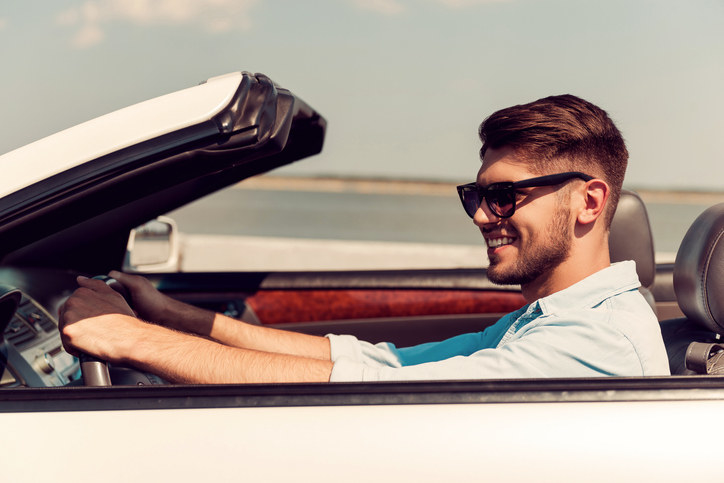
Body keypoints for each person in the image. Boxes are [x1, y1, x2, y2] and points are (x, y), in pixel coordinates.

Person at [59, 94, 670, 383]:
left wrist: (131, 340)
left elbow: (373, 390)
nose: (483, 216)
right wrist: (173, 317)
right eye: (475, 196)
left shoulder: (596, 343)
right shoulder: (556, 318)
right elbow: (375, 361)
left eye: (504, 195)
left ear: (589, 201)